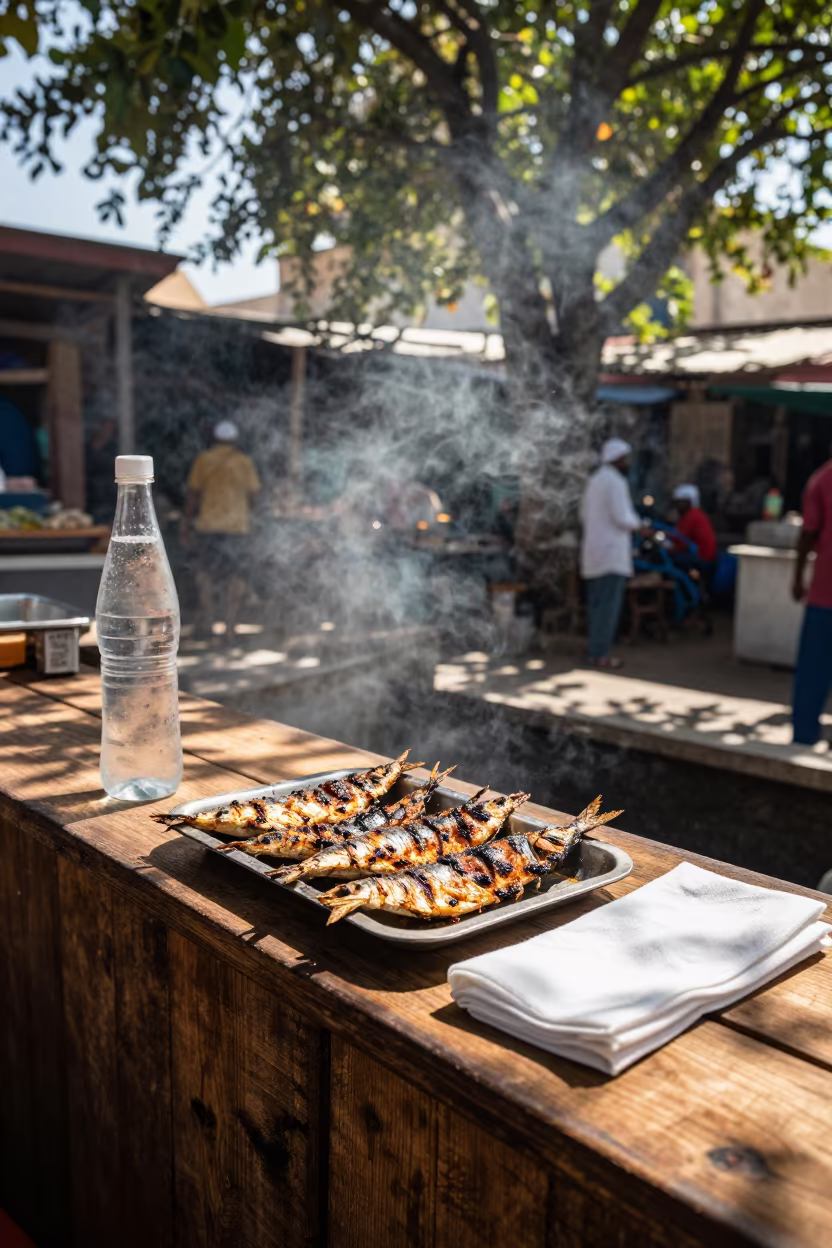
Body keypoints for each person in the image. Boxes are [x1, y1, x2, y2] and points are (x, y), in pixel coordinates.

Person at [180, 420, 261, 642]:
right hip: (237, 527)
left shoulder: (204, 460)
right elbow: (254, 495)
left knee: (205, 574)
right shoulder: (244, 462)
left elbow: (193, 495)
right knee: (236, 576)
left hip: (209, 526)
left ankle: (208, 621)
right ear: (235, 441)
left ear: (214, 438)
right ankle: (230, 627)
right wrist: (254, 522)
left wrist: (186, 525)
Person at [580, 438, 646, 669]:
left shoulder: (594, 480)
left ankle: (594, 650)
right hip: (610, 555)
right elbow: (622, 517)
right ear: (617, 459)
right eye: (625, 459)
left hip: (593, 553)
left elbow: (584, 516)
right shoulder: (615, 481)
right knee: (608, 608)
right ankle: (601, 654)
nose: (627, 463)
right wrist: (641, 527)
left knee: (596, 606)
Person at [792, 456, 832, 745]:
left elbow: (808, 533)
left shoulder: (821, 479)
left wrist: (797, 576)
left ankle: (805, 732)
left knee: (814, 667)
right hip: (824, 593)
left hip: (824, 593)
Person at [670, 484, 717, 566]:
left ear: (688, 502)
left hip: (702, 557)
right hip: (702, 555)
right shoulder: (693, 514)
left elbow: (680, 539)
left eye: (680, 502)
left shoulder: (692, 516)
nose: (677, 506)